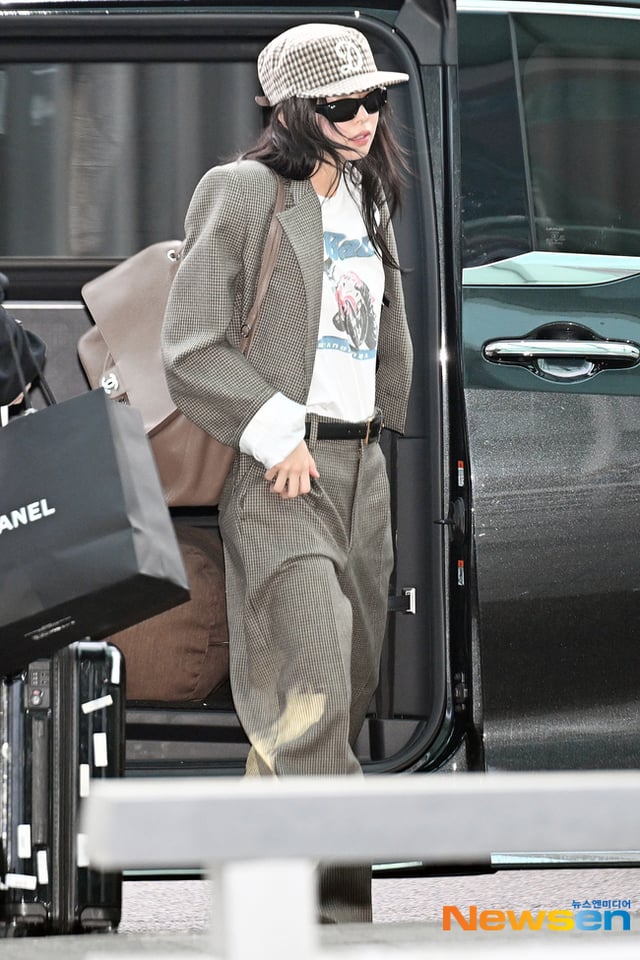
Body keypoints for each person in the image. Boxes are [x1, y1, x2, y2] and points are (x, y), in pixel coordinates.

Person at [162, 22, 413, 923]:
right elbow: (190, 347)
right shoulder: (241, 192)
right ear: (294, 110)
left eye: (373, 99)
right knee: (310, 702)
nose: (364, 118)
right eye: (343, 105)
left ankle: (256, 900)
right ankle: (338, 923)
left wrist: (378, 428)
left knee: (333, 702)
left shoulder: (366, 194)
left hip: (361, 470)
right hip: (283, 478)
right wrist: (277, 434)